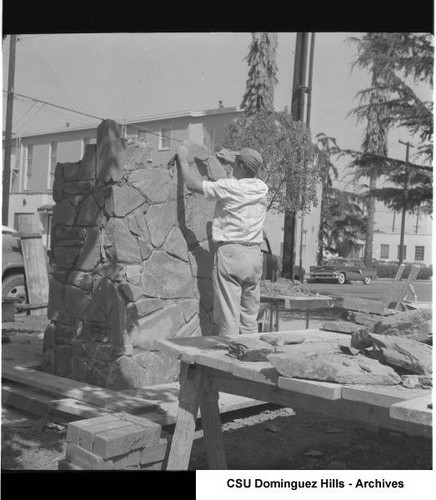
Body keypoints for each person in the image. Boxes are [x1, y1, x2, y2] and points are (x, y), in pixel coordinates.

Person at [175, 145, 268, 336]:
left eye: (237, 163)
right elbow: (249, 171)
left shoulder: (229, 187)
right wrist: (234, 160)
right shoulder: (262, 188)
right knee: (249, 319)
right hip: (255, 257)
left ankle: (229, 359)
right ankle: (250, 356)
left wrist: (183, 161)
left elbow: (192, 185)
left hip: (232, 255)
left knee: (229, 318)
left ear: (241, 165)